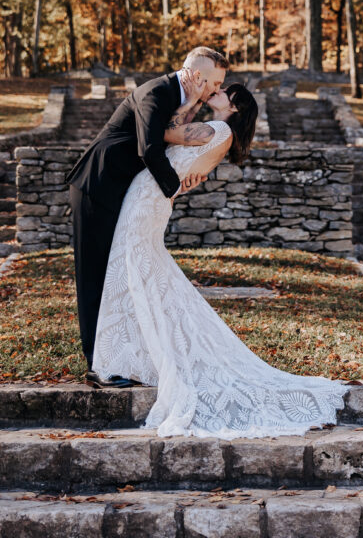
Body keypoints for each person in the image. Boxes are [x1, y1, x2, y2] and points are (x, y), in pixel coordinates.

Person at [92, 80, 348, 437]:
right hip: (153, 198)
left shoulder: (217, 128)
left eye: (224, 91)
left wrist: (192, 99)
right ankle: (131, 350)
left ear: (234, 106)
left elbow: (162, 132)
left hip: (148, 199)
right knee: (141, 270)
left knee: (134, 268)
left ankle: (126, 352)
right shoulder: (223, 135)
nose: (217, 91)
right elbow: (191, 167)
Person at [66, 46, 228, 385]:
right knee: (95, 274)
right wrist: (173, 190)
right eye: (215, 83)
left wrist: (191, 173)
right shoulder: (157, 91)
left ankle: (121, 358)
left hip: (120, 189)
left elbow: (174, 141)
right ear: (198, 76)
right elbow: (150, 148)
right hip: (97, 184)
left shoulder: (182, 99)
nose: (217, 90)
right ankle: (98, 367)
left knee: (118, 273)